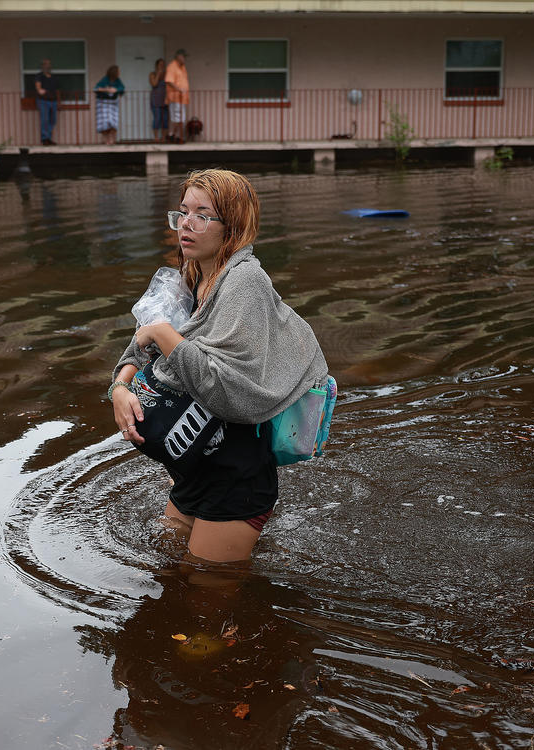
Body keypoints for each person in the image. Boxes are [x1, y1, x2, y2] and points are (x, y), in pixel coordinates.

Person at [108, 169, 328, 563]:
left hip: (235, 472)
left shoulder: (245, 282)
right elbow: (138, 344)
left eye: (202, 215)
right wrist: (119, 389)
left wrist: (162, 334)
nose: (186, 225)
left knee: (209, 592)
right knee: (170, 567)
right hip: (193, 462)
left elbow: (228, 391)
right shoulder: (190, 275)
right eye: (182, 213)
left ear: (234, 227)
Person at [93, 65, 125, 145]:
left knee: (113, 122)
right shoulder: (105, 80)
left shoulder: (118, 81)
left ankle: (112, 140)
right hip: (103, 103)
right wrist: (107, 89)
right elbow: (96, 88)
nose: (119, 73)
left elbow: (122, 88)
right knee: (104, 122)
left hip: (113, 103)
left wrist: (116, 90)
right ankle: (106, 140)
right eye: (118, 71)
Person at [164, 49, 190, 143]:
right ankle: (171, 135)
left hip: (182, 98)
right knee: (176, 117)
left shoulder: (182, 67)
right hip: (175, 97)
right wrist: (179, 89)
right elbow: (169, 81)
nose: (185, 59)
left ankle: (178, 136)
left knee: (181, 118)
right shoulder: (172, 67)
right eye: (183, 57)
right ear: (178, 56)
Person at [34, 58, 60, 145]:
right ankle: (45, 138)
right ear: (42, 66)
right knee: (45, 119)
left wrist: (59, 102)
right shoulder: (39, 76)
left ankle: (48, 137)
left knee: (53, 120)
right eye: (45, 64)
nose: (47, 66)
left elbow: (57, 90)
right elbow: (38, 85)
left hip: (53, 101)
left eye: (48, 64)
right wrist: (40, 90)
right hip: (43, 101)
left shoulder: (54, 77)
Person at [148, 58, 169, 143]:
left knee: (165, 119)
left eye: (163, 64)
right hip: (155, 100)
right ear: (156, 66)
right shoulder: (152, 74)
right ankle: (156, 137)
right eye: (160, 64)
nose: (162, 66)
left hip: (165, 100)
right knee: (157, 118)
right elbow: (154, 84)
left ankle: (163, 137)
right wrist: (158, 74)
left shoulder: (166, 75)